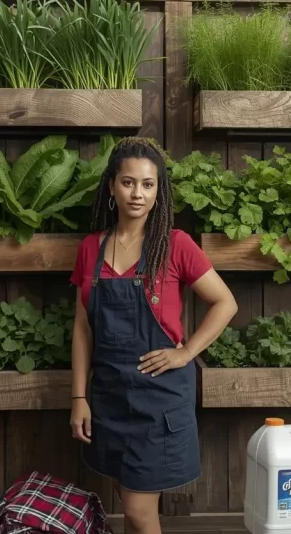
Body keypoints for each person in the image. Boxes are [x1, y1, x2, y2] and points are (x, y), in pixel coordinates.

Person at [69, 137, 238, 534]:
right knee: (130, 508)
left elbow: (225, 303)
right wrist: (79, 396)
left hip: (158, 400)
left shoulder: (175, 245)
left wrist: (187, 352)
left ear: (159, 191)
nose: (138, 194)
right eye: (128, 183)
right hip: (110, 396)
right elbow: (81, 328)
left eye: (148, 184)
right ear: (111, 186)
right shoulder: (91, 248)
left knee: (139, 510)